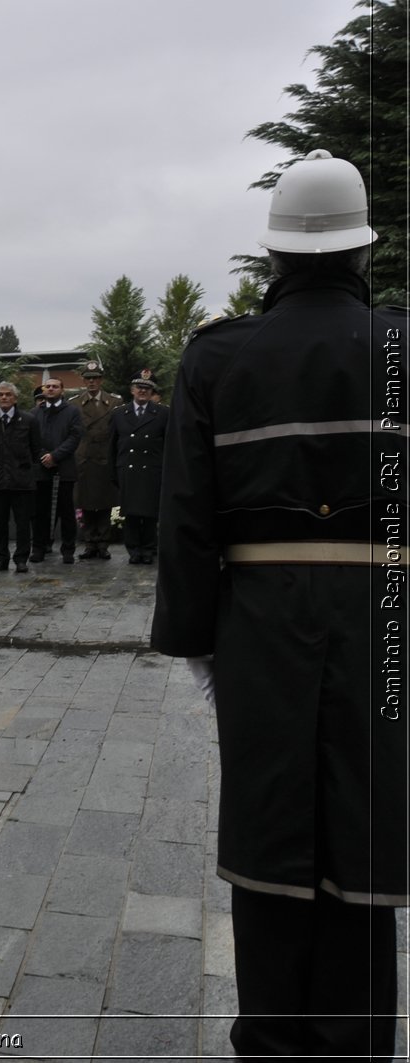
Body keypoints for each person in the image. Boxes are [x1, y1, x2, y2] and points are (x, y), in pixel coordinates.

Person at [151, 148, 406, 1059]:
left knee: (266, 836)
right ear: (359, 251)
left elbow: (184, 514)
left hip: (259, 620)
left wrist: (194, 639)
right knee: (368, 834)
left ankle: (270, 1039)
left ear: (276, 257)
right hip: (384, 618)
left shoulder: (219, 355)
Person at [0, 383, 40, 573]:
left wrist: (29, 474)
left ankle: (21, 558)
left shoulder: (28, 420)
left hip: (21, 480)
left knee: (22, 522)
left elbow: (36, 450)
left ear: (15, 398)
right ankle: (1, 558)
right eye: (1, 395)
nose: (4, 398)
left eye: (8, 395)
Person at [109, 368, 169, 564]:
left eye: (147, 388)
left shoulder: (162, 413)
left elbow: (169, 445)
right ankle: (134, 550)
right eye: (139, 387)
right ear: (132, 390)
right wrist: (113, 471)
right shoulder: (119, 413)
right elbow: (112, 445)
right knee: (132, 513)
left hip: (152, 469)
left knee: (151, 513)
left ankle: (149, 549)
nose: (142, 391)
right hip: (128, 468)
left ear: (152, 392)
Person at [30, 378, 81, 564]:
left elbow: (75, 437)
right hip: (41, 469)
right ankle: (39, 547)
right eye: (48, 386)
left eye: (55, 386)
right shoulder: (35, 413)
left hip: (64, 468)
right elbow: (32, 439)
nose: (51, 389)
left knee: (66, 511)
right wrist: (44, 456)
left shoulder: (72, 411)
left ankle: (68, 549)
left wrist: (56, 456)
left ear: (62, 390)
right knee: (39, 512)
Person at [74, 360, 120, 560]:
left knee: (104, 502)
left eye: (95, 379)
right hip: (84, 457)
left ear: (101, 380)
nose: (91, 382)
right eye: (88, 379)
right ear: (84, 381)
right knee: (84, 502)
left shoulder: (115, 402)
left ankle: (103, 542)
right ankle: (89, 542)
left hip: (104, 456)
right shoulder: (74, 403)